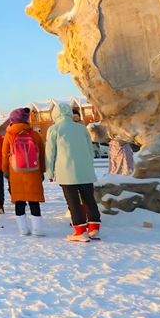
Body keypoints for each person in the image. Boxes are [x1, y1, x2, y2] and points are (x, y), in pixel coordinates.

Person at [46, 103, 102, 242]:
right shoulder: (81, 128)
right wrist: (89, 165)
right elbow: (90, 149)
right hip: (85, 170)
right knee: (89, 198)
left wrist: (50, 172)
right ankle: (94, 228)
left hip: (66, 171)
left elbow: (50, 153)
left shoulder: (54, 129)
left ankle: (80, 231)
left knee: (73, 201)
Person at [2, 108, 46, 236]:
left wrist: (5, 170)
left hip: (16, 172)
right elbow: (42, 153)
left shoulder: (9, 135)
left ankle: (23, 229)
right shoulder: (34, 134)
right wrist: (42, 170)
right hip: (33, 171)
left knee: (19, 200)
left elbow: (4, 154)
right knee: (34, 200)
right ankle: (37, 229)